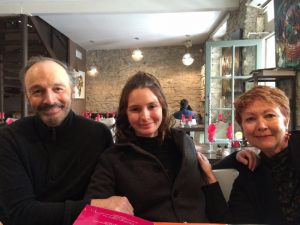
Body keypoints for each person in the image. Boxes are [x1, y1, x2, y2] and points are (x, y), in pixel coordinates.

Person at [0, 56, 133, 225]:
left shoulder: (98, 135)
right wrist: (91, 206)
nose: (49, 100)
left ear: (72, 91)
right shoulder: (8, 139)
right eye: (37, 91)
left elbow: (107, 197)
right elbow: (20, 213)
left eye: (58, 89)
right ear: (27, 97)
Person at [85, 71, 228, 223]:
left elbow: (210, 198)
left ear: (163, 107)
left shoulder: (184, 142)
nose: (145, 116)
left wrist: (234, 159)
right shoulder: (112, 158)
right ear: (125, 113)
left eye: (152, 106)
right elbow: (92, 212)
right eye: (135, 109)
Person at [202, 85, 300, 224]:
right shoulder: (250, 173)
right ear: (242, 128)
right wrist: (234, 158)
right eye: (250, 119)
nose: (261, 126)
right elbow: (232, 221)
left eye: (269, 115)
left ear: (286, 120)